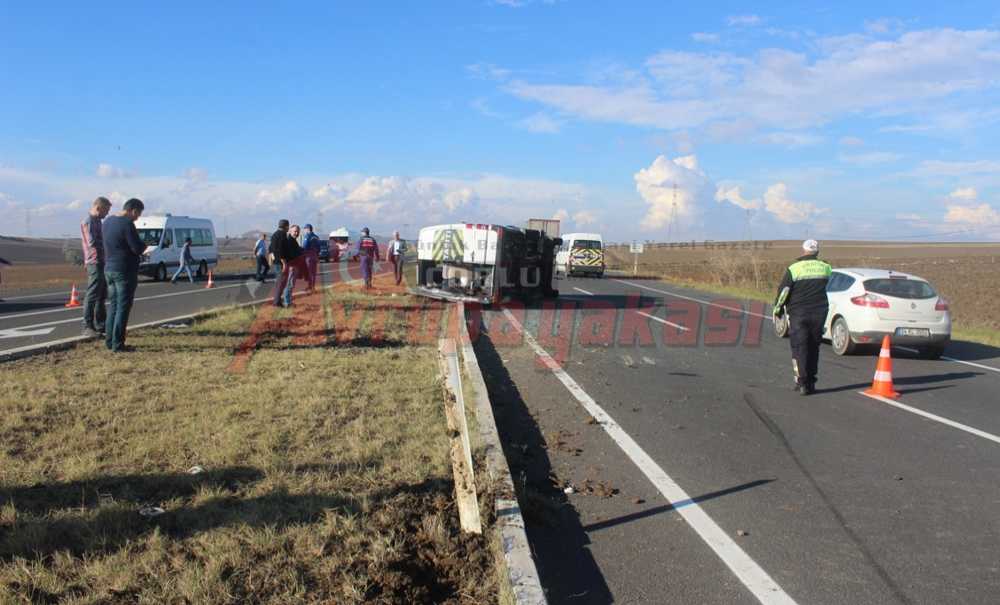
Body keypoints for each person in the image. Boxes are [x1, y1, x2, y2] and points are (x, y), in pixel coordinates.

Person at [773, 239, 832, 395]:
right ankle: (811, 382)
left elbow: (784, 291)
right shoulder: (826, 268)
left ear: (803, 250)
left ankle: (802, 381)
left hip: (799, 313)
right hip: (819, 312)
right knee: (814, 347)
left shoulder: (794, 268)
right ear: (817, 252)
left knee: (799, 347)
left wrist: (778, 309)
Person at [103, 198, 145, 352]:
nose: (137, 217)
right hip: (124, 270)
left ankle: (109, 341)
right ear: (132, 210)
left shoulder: (107, 221)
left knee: (113, 306)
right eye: (138, 214)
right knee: (123, 307)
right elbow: (137, 248)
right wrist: (144, 244)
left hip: (109, 269)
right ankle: (118, 344)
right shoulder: (127, 224)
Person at [80, 197, 111, 336]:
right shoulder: (90, 221)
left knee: (101, 294)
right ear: (99, 207)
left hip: (101, 260)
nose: (107, 214)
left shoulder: (98, 221)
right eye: (106, 210)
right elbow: (92, 242)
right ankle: (87, 326)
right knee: (93, 294)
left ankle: (101, 324)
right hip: (94, 261)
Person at [270, 220, 312, 307]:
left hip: (288, 264)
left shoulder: (285, 238)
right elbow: (281, 250)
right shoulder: (285, 238)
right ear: (288, 229)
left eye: (297, 231)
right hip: (289, 265)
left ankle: (282, 301)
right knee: (287, 284)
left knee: (285, 284)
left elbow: (272, 248)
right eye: (294, 231)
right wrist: (283, 261)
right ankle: (284, 302)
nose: (296, 233)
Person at [301, 223, 321, 289]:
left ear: (308, 229)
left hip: (308, 256)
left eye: (305, 229)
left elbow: (305, 246)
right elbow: (319, 247)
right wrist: (317, 255)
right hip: (315, 255)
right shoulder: (316, 237)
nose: (304, 230)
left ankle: (310, 286)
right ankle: (313, 286)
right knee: (313, 272)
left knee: (309, 272)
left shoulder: (307, 236)